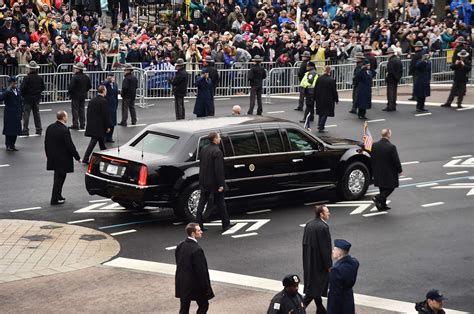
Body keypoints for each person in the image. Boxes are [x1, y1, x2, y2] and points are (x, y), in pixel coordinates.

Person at [195, 132, 234, 232]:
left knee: (202, 203)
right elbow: (218, 170)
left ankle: (199, 225)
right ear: (215, 139)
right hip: (214, 183)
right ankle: (226, 224)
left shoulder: (204, 150)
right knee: (221, 203)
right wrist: (221, 184)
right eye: (219, 137)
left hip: (203, 181)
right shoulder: (217, 152)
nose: (220, 139)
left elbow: (202, 165)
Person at [175, 223, 214, 314]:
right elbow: (201, 271)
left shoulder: (180, 245)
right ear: (193, 233)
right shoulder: (197, 249)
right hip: (195, 285)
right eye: (199, 230)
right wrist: (206, 288)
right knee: (204, 306)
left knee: (184, 308)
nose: (201, 232)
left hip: (182, 282)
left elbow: (179, 262)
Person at [45, 111, 81, 205]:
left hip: (53, 157)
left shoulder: (50, 127)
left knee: (58, 177)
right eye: (66, 116)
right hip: (63, 158)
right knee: (59, 179)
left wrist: (48, 155)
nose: (67, 118)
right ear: (63, 117)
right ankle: (54, 199)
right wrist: (77, 157)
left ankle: (58, 195)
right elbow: (70, 145)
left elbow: (46, 143)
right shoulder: (64, 130)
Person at [302, 205, 332, 314]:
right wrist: (329, 265)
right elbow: (325, 248)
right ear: (321, 214)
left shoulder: (309, 224)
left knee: (314, 285)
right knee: (316, 288)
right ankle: (298, 309)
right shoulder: (323, 227)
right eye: (327, 212)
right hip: (319, 263)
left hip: (309, 261)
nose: (329, 214)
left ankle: (320, 309)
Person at [371, 128, 402, 211]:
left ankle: (382, 205)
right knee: (391, 187)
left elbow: (372, 158)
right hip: (388, 172)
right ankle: (377, 198)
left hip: (378, 170)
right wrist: (400, 170)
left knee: (382, 187)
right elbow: (396, 160)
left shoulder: (374, 145)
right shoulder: (391, 147)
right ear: (388, 134)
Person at [327, 239, 360, 314]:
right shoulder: (354, 263)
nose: (332, 251)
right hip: (348, 298)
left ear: (339, 252)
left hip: (339, 304)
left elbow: (335, 294)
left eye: (334, 249)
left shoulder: (336, 269)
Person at [82, 86, 110, 164]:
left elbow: (88, 113)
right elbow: (105, 115)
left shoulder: (92, 100)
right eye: (106, 90)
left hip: (93, 124)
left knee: (101, 143)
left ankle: (106, 156)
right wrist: (107, 126)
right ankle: (85, 158)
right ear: (103, 91)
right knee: (94, 142)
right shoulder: (104, 101)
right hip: (99, 126)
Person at [20, 61, 45, 136]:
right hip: (36, 98)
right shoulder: (39, 78)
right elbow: (43, 87)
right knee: (36, 114)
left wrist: (23, 95)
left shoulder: (27, 78)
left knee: (26, 114)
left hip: (28, 98)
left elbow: (22, 88)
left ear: (30, 69)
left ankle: (25, 130)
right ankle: (39, 129)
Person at [67, 62, 92, 130]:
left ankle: (75, 124)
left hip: (75, 96)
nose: (74, 69)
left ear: (78, 69)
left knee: (75, 110)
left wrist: (70, 93)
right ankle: (82, 124)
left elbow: (71, 87)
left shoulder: (75, 77)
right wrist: (84, 90)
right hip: (83, 95)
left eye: (76, 68)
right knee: (82, 109)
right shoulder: (86, 77)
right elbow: (89, 86)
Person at [0, 77, 22, 151]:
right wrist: (7, 90)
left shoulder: (17, 90)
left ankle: (13, 145)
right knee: (9, 130)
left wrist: (21, 112)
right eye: (13, 82)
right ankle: (8, 145)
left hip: (17, 113)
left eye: (15, 82)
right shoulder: (6, 90)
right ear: (10, 83)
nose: (15, 84)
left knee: (15, 130)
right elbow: (1, 98)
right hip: (9, 113)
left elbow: (20, 101)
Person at [315, 66, 338, 133]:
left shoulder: (319, 78)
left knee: (321, 112)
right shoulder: (331, 80)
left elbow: (315, 89)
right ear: (329, 71)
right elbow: (334, 91)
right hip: (328, 99)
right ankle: (321, 127)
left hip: (319, 98)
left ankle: (319, 125)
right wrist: (336, 99)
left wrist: (314, 97)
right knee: (325, 113)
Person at [383, 47, 403, 112]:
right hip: (396, 78)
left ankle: (390, 106)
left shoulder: (390, 61)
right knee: (394, 92)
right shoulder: (398, 59)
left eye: (388, 54)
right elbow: (400, 70)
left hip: (391, 79)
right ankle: (393, 105)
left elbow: (390, 71)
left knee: (390, 92)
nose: (387, 55)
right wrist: (398, 77)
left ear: (390, 54)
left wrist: (388, 78)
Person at [103, 72, 119, 143]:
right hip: (106, 105)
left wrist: (116, 104)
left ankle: (110, 137)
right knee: (106, 122)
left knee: (112, 122)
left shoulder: (115, 84)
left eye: (112, 77)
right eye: (109, 77)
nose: (111, 78)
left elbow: (116, 95)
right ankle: (104, 137)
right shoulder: (104, 84)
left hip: (113, 105)